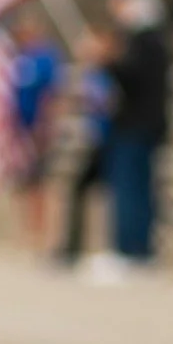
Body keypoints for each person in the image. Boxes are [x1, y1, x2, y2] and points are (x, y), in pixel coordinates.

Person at [86, 0, 170, 268]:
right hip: (131, 125)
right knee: (128, 189)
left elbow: (134, 80)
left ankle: (132, 252)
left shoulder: (147, 39)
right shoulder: (140, 38)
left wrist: (106, 60)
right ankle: (131, 249)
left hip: (138, 126)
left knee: (132, 191)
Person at [10, 4, 63, 256]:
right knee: (24, 183)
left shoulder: (46, 58)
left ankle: (45, 235)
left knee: (42, 183)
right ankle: (27, 232)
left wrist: (45, 126)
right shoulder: (19, 57)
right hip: (20, 128)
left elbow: (52, 94)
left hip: (39, 128)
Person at [58, 65, 113, 265]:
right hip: (94, 141)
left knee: (107, 195)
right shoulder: (92, 75)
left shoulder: (106, 76)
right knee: (78, 191)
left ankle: (98, 248)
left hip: (108, 142)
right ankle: (73, 248)